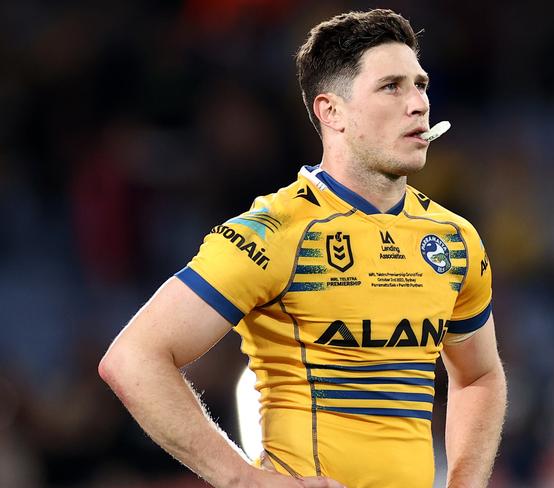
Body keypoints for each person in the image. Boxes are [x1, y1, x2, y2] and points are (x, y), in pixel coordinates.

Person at [99, 8, 507, 488]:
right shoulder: (275, 232)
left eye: (421, 85)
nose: (418, 104)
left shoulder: (452, 239)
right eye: (391, 87)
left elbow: (479, 377)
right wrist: (241, 479)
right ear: (330, 111)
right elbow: (133, 359)